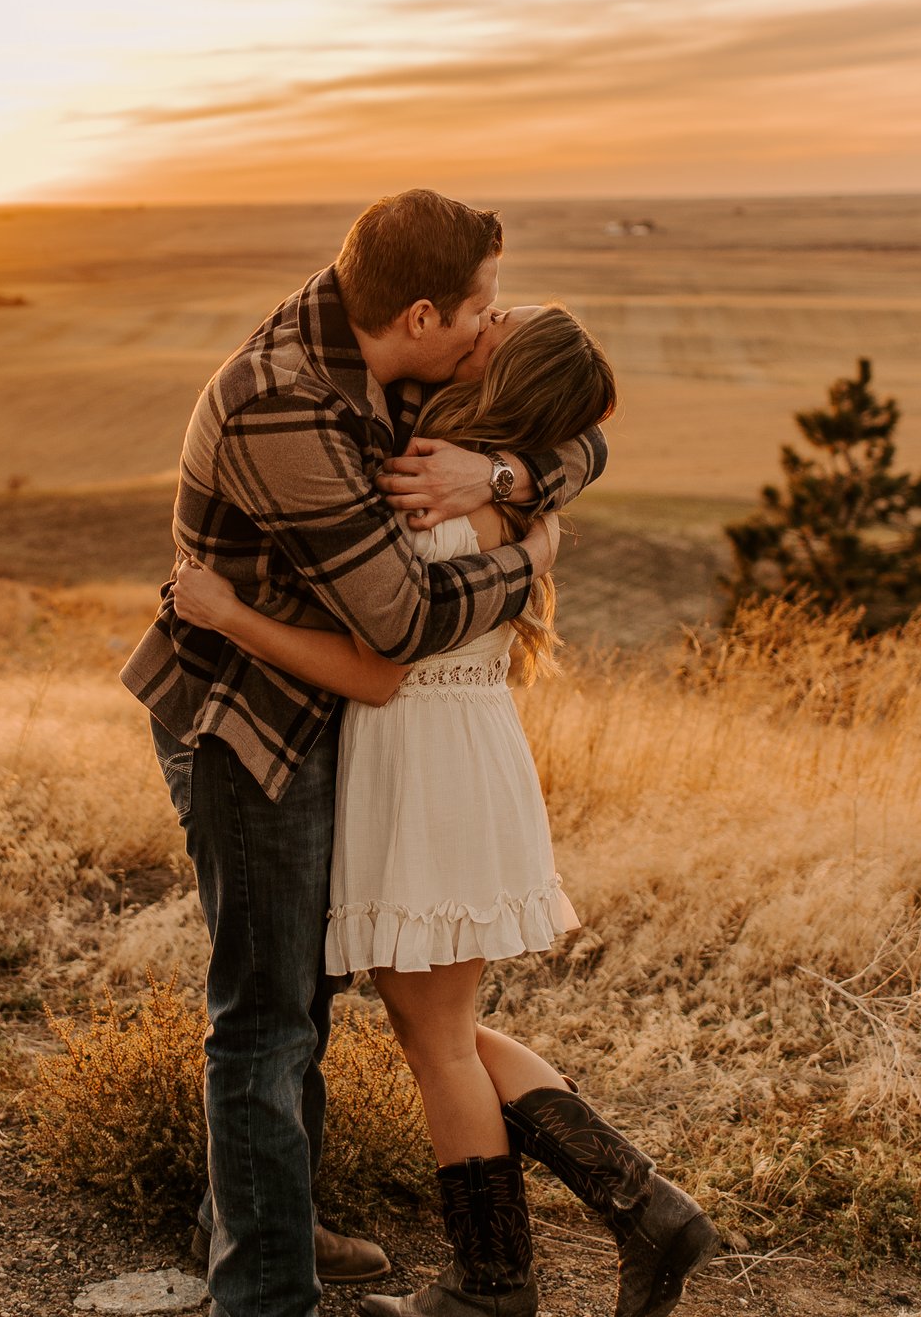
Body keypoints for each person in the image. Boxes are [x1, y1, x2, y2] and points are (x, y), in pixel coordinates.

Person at [171, 305, 718, 1317]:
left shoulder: (432, 502)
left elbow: (373, 674)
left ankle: (502, 1284)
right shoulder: (488, 482)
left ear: (497, 380)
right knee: (447, 1028)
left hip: (419, 759)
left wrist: (230, 613)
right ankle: (629, 1210)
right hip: (458, 752)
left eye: (499, 324)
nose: (489, 315)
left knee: (439, 1042)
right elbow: (575, 442)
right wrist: (528, 509)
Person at [122, 189, 606, 1317]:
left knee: (304, 992)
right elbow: (393, 626)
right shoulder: (281, 404)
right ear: (425, 313)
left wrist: (505, 484)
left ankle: (260, 1214)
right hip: (249, 719)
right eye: (484, 310)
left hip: (334, 707)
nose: (498, 327)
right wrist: (524, 546)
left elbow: (577, 418)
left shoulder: (390, 351)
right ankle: (264, 1287)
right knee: (267, 1011)